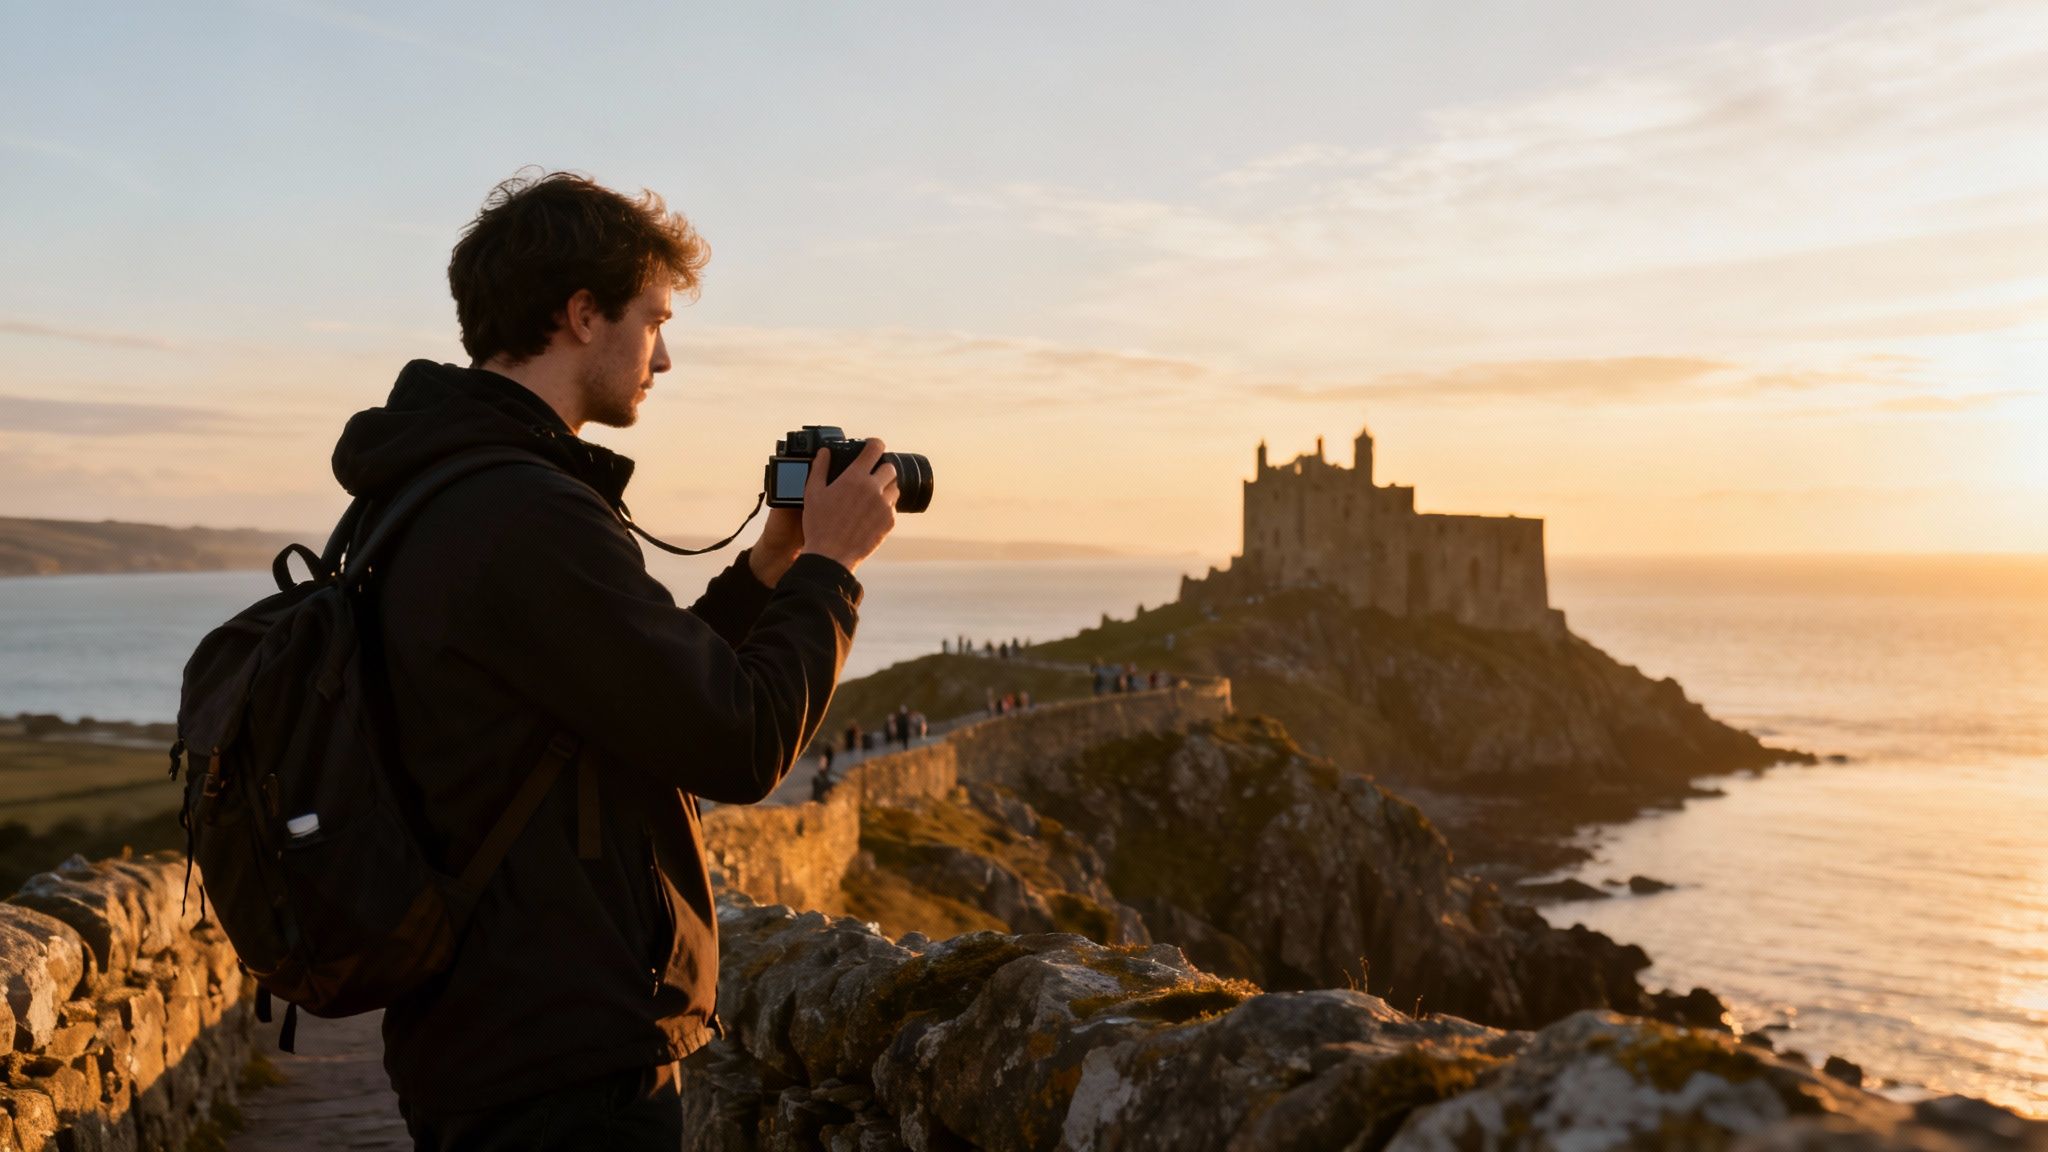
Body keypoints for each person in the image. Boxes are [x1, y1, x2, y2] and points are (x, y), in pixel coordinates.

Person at [334, 172, 899, 1150]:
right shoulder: (524, 512)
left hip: (486, 1032)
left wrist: (765, 571)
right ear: (582, 314)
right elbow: (738, 742)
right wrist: (830, 568)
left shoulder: (436, 488)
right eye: (653, 319)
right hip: (556, 1056)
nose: (665, 357)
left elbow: (638, 696)